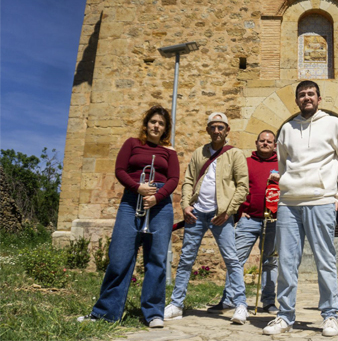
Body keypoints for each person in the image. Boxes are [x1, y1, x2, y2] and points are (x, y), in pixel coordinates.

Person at [262, 80, 338, 337]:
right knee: (286, 262)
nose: (307, 98)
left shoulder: (334, 124)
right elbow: (282, 165)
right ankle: (285, 316)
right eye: (302, 94)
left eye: (311, 94)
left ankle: (330, 315)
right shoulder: (287, 128)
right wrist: (286, 188)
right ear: (297, 100)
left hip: (321, 201)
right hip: (289, 203)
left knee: (325, 260)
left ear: (319, 98)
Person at [78, 105, 179, 328]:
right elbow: (120, 170)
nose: (156, 126)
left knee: (156, 260)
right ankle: (106, 312)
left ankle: (153, 313)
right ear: (146, 124)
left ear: (165, 129)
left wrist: (157, 197)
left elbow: (173, 178)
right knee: (119, 257)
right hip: (132, 200)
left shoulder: (169, 151)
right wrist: (138, 188)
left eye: (161, 124)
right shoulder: (132, 143)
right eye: (153, 122)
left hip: (160, 204)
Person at [163, 112, 250, 324]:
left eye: (221, 127)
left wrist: (228, 211)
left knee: (232, 259)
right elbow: (188, 181)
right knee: (186, 258)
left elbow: (243, 186)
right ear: (208, 130)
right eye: (213, 127)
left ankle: (240, 305)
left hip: (221, 215)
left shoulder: (235, 154)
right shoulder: (199, 153)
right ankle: (176, 304)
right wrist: (186, 205)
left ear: (227, 130)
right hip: (197, 213)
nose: (217, 131)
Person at [208, 130, 280, 315]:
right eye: (262, 140)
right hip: (248, 220)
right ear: (256, 142)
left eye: (269, 141)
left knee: (270, 262)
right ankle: (229, 300)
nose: (265, 143)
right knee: (236, 260)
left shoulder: (282, 165)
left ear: (275, 145)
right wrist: (239, 212)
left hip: (273, 220)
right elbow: (234, 188)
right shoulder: (245, 163)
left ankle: (269, 302)